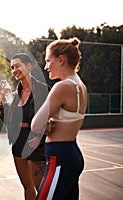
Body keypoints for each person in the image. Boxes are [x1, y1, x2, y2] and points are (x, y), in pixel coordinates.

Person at [31, 37, 87, 200]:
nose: (46, 66)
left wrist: (44, 124)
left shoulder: (62, 86)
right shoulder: (80, 86)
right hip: (71, 154)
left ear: (61, 60)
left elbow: (35, 124)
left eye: (48, 61)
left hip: (59, 159)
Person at [0, 53, 49, 200]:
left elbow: (51, 118)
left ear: (29, 66)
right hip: (18, 141)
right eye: (12, 67)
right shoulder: (15, 95)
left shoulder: (42, 90)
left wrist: (40, 138)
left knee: (41, 188)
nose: (14, 70)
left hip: (35, 143)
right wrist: (3, 103)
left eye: (18, 66)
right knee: (27, 186)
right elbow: (8, 121)